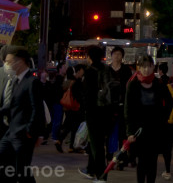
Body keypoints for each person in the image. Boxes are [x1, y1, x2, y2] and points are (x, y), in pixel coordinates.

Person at [0, 47, 44, 183]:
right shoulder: (17, 81)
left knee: (22, 172)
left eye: (9, 62)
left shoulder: (32, 82)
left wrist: (31, 131)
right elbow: (11, 104)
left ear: (21, 61)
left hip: (23, 134)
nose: (7, 65)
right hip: (11, 132)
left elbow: (37, 109)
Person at [125, 55, 173, 183]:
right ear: (139, 68)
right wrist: (130, 132)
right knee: (141, 161)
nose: (146, 69)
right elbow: (128, 109)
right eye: (143, 67)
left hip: (155, 128)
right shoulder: (133, 84)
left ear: (153, 67)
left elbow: (170, 101)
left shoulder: (158, 83)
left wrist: (163, 118)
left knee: (152, 161)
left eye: (149, 66)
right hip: (139, 129)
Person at [81, 45, 109, 181]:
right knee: (98, 142)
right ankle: (91, 169)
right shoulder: (106, 69)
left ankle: (101, 174)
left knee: (96, 145)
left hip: (93, 111)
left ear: (90, 57)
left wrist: (85, 111)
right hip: (106, 111)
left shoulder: (89, 72)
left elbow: (87, 94)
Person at [105, 46, 134, 160]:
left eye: (119, 54)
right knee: (109, 132)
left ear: (122, 57)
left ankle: (122, 158)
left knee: (122, 132)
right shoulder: (107, 70)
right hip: (109, 105)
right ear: (111, 55)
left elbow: (129, 86)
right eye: (115, 54)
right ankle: (109, 156)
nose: (117, 56)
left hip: (122, 104)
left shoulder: (126, 70)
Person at [57, 64, 85, 153]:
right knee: (74, 127)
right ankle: (71, 146)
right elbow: (78, 95)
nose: (83, 72)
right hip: (75, 107)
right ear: (79, 71)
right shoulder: (77, 81)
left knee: (70, 126)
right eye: (82, 70)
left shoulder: (70, 81)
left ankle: (61, 141)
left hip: (70, 107)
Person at [43, 66, 64, 145]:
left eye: (46, 73)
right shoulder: (58, 80)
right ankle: (53, 136)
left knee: (53, 120)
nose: (45, 74)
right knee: (54, 120)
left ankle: (51, 136)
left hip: (52, 103)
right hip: (53, 103)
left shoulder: (49, 83)